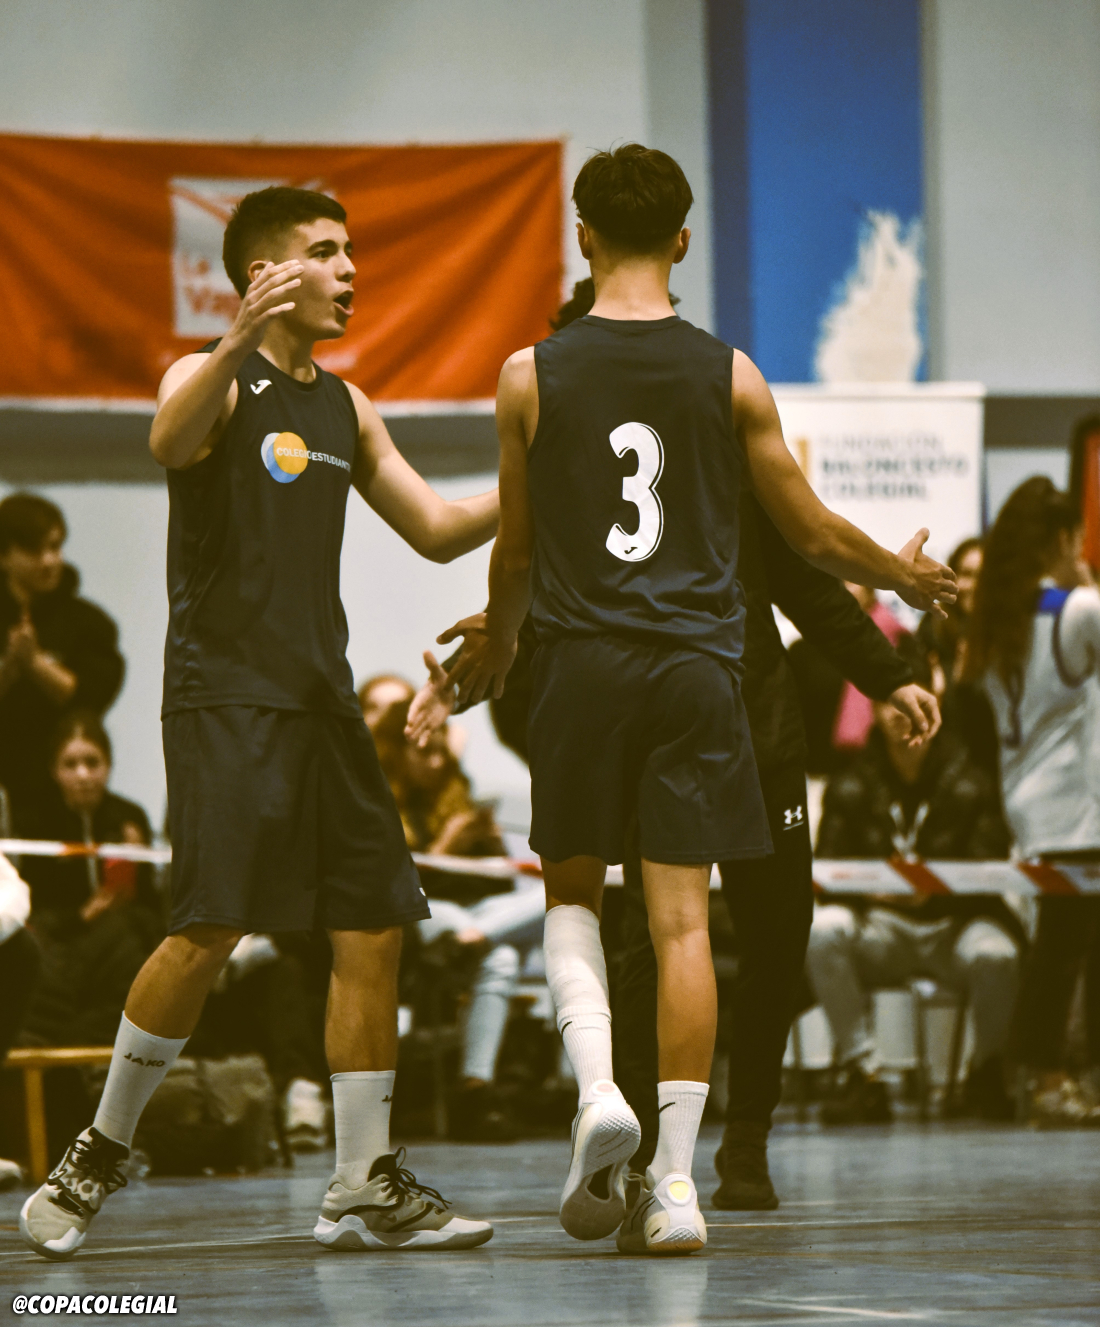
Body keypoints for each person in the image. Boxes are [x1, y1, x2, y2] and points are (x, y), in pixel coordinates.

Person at [441, 143, 955, 1255]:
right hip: (699, 672)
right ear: (683, 239)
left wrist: (499, 641)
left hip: (582, 668)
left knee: (578, 902)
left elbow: (516, 553)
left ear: (582, 234)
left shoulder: (528, 374)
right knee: (684, 926)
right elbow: (808, 536)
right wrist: (903, 577)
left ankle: (598, 1093)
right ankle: (678, 1183)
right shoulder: (732, 375)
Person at [20, 186, 498, 1261]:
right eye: (326, 252)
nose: (350, 271)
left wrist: (540, 482)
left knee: (372, 924)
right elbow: (166, 441)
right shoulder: (206, 375)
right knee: (208, 926)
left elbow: (434, 527)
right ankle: (100, 1147)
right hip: (224, 696)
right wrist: (234, 337)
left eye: (350, 251)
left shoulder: (349, 407)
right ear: (265, 273)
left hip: (326, 702)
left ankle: (361, 1179)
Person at [810, 635, 1020, 1124]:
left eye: (911, 699)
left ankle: (984, 1074)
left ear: (933, 700)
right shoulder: (851, 782)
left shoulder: (969, 775)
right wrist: (878, 891)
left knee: (999, 954)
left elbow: (990, 863)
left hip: (954, 925)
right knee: (822, 932)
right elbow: (826, 870)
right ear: (873, 708)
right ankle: (864, 1074)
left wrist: (932, 891)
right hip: (881, 927)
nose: (901, 713)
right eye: (888, 701)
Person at [966, 476, 1100, 1127]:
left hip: (1027, 800)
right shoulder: (1076, 609)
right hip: (1079, 804)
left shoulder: (998, 618)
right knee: (1066, 946)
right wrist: (1084, 579)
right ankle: (1046, 1075)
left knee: (1065, 940)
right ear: (1060, 538)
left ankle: (1050, 1073)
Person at [0, 494, 124, 832]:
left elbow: (93, 697)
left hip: (63, 796)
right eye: (34, 550)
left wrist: (35, 664)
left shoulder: (89, 624)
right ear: (4, 556)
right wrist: (10, 667)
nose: (49, 561)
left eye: (55, 547)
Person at [20, 712, 157, 928]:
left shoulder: (130, 817)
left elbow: (152, 906)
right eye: (70, 764)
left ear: (109, 764)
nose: (83, 775)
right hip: (63, 936)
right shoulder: (36, 822)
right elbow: (32, 910)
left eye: (92, 763)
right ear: (54, 770)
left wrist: (137, 869)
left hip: (121, 931)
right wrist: (81, 916)